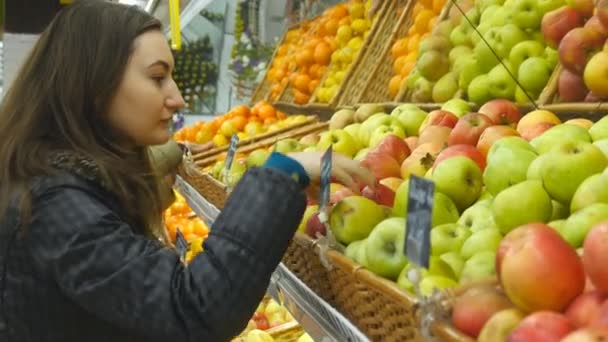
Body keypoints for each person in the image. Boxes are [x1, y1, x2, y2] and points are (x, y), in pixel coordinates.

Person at [0, 1, 374, 342]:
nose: (177, 97)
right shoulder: (55, 206)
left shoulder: (50, 177)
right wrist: (282, 174)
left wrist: (169, 154)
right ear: (95, 87)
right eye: (157, 77)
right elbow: (191, 309)